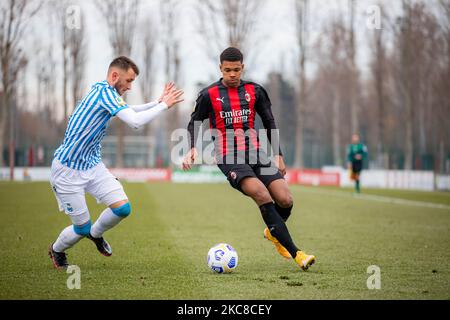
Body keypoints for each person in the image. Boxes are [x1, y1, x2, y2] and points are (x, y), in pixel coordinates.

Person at [182, 47, 315, 271]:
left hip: (256, 153)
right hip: (229, 157)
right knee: (262, 194)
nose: (232, 74)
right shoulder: (209, 94)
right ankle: (297, 253)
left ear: (242, 67)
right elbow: (194, 122)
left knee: (285, 200)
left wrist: (278, 153)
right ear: (220, 69)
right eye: (227, 70)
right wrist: (191, 148)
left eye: (236, 69)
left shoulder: (255, 91)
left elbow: (269, 121)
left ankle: (273, 232)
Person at [49, 56, 184, 269]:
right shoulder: (104, 93)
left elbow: (131, 110)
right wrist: (164, 106)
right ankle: (57, 250)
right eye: (128, 81)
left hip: (92, 165)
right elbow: (135, 122)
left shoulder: (105, 91)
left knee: (122, 209)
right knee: (81, 228)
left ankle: (96, 234)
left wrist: (157, 102)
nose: (130, 87)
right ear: (114, 76)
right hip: (68, 170)